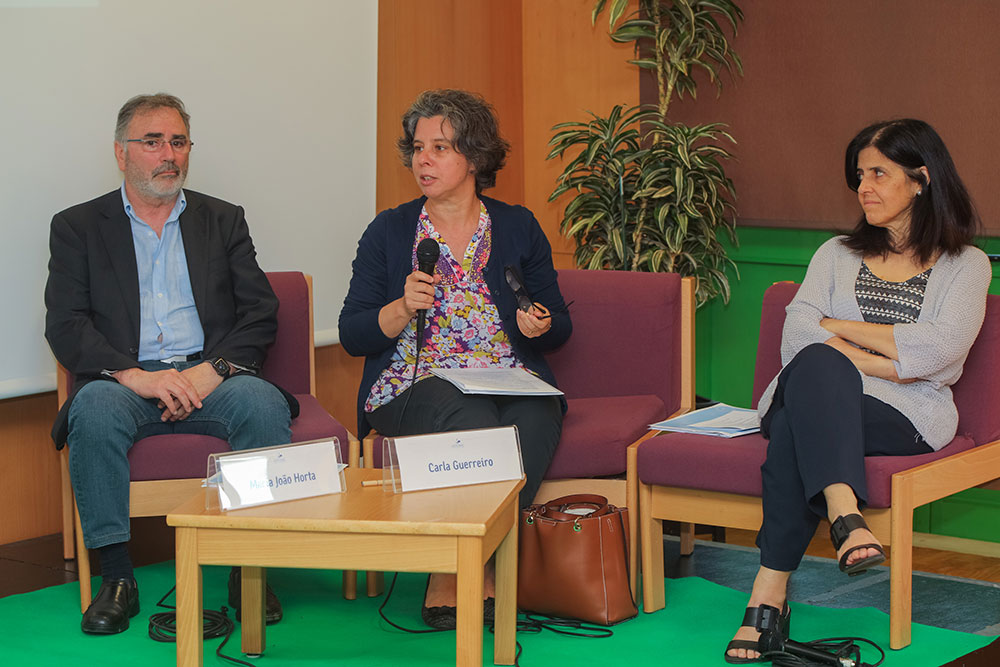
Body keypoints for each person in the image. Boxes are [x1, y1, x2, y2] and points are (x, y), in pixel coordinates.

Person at [725, 119, 991, 663]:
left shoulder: (967, 265)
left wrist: (845, 338)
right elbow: (797, 333)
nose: (863, 186)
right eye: (859, 175)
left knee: (801, 425)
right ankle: (845, 514)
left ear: (921, 180)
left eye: (878, 173)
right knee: (818, 369)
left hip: (907, 412)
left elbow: (941, 351)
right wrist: (887, 354)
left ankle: (768, 597)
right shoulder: (835, 253)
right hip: (814, 392)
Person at [44, 93, 293, 635]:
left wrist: (215, 369)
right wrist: (136, 375)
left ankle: (245, 567)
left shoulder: (223, 219)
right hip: (127, 379)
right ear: (120, 152)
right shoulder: (78, 227)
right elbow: (66, 325)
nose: (168, 154)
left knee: (264, 404)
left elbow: (260, 313)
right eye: (152, 141)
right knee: (95, 412)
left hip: (210, 374)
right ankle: (117, 579)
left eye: (178, 142)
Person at [338, 89, 571, 628]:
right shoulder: (390, 231)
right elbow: (353, 332)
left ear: (475, 156)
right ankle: (454, 570)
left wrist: (538, 323)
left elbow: (558, 323)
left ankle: (471, 559)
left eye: (440, 147)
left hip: (508, 379)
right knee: (467, 413)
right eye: (418, 148)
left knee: (539, 414)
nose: (423, 159)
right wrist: (399, 308)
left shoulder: (517, 226)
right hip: (412, 385)